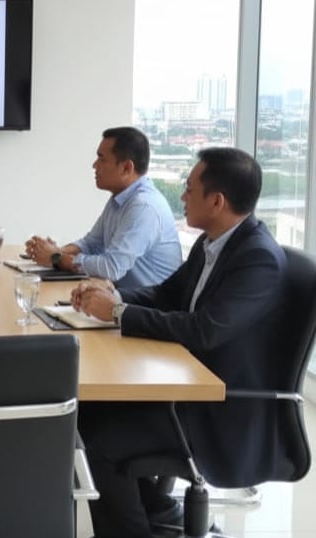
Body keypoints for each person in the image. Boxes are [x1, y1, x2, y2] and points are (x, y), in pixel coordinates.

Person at [71, 147, 287, 538]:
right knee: (86, 413)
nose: (182, 196)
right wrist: (110, 296)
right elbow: (165, 294)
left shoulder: (258, 258)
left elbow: (205, 330)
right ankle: (159, 511)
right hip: (186, 382)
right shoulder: (213, 242)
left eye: (189, 189)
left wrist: (116, 313)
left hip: (221, 407)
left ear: (217, 201)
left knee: (100, 442)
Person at [25, 127, 181, 288]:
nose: (94, 165)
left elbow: (111, 268)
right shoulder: (119, 198)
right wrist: (54, 251)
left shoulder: (144, 207)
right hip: (121, 296)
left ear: (126, 168)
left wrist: (56, 258)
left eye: (101, 159)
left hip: (147, 302)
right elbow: (90, 245)